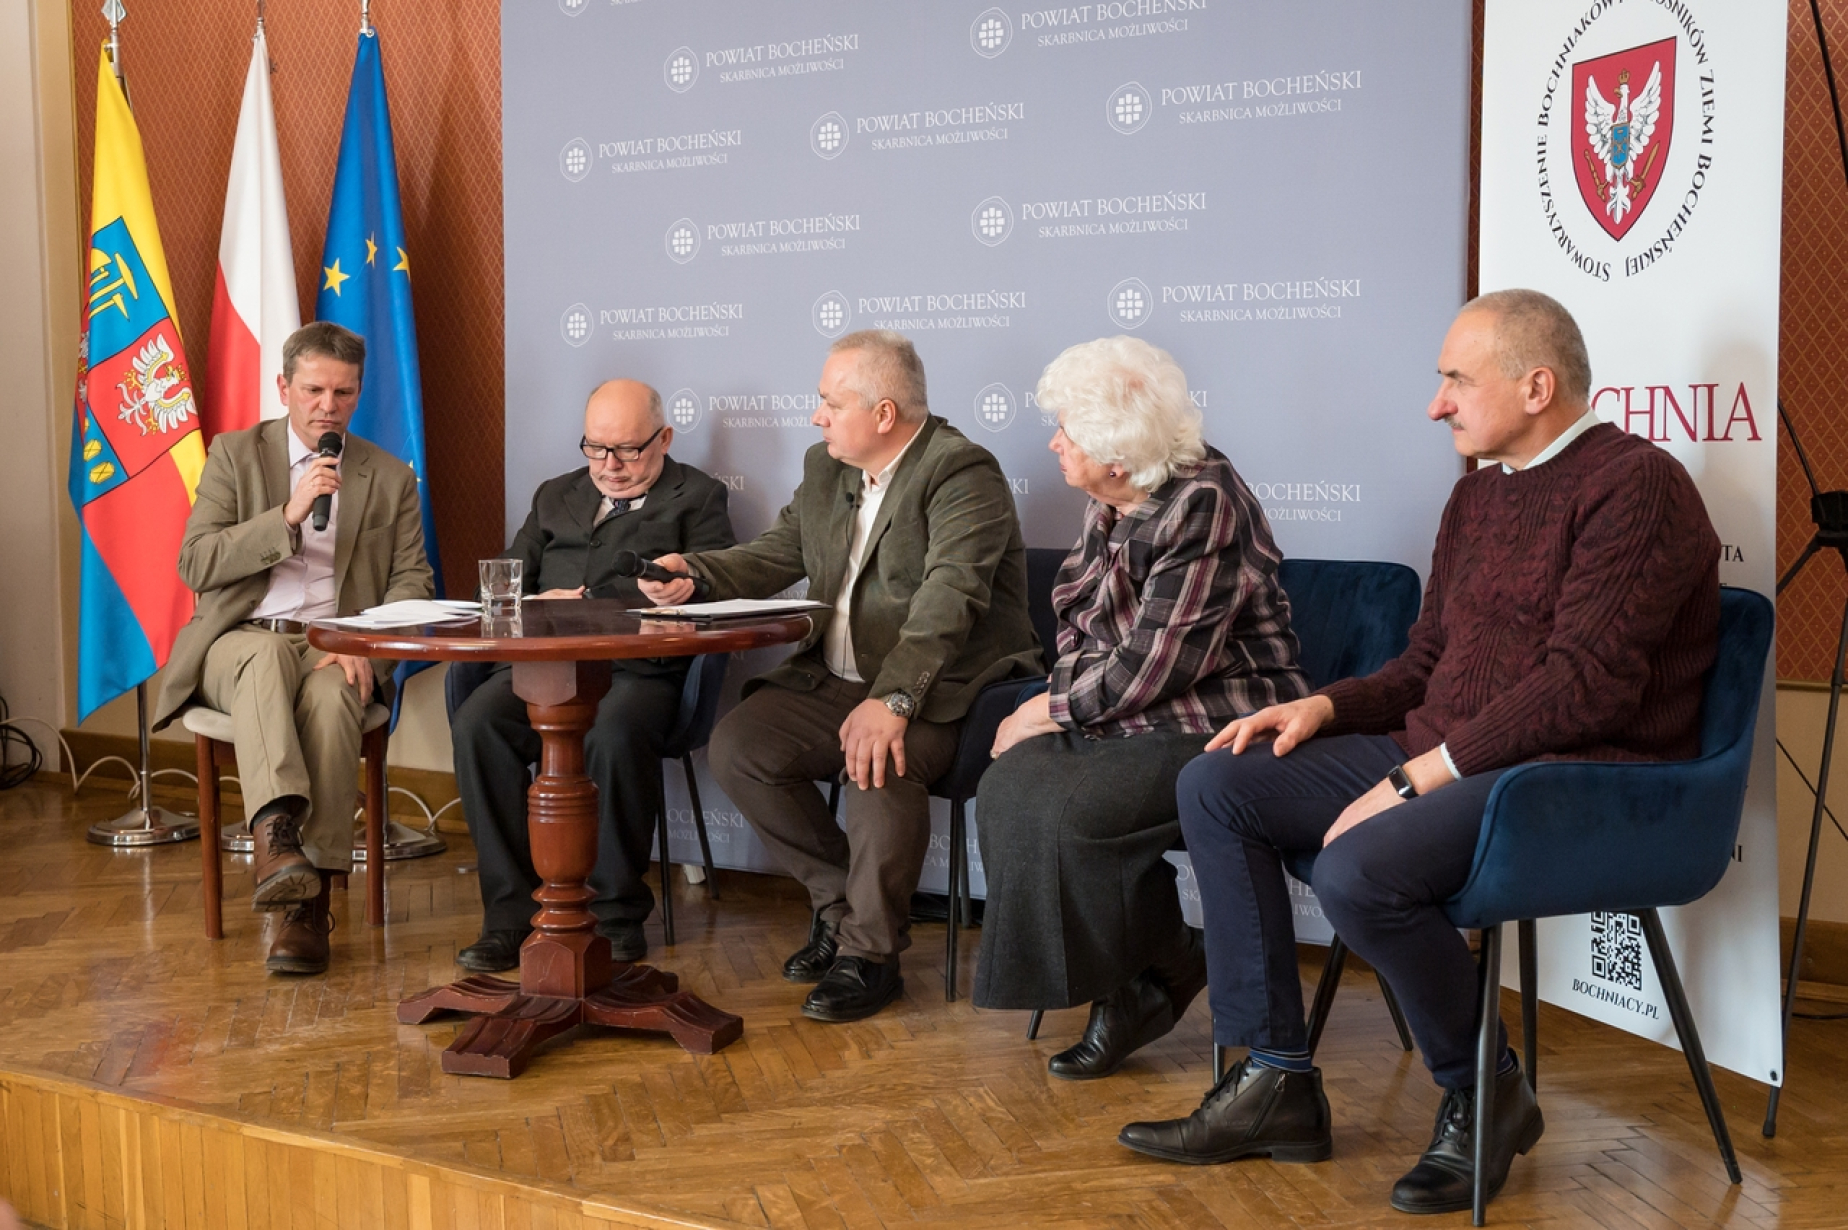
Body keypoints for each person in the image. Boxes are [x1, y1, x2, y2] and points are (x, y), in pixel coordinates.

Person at [1116, 290, 1721, 1215]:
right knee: (1217, 784)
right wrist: (1324, 705)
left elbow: (1583, 685)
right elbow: (1430, 660)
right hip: (1455, 756)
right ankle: (1276, 1078)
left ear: (1536, 386)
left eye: (1454, 380)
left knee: (1360, 868)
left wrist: (1416, 776)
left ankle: (1485, 1090)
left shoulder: (1635, 484)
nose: (1436, 403)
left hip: (1572, 777)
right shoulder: (1479, 489)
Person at [640, 330, 1043, 1023]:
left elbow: (949, 600)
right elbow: (779, 551)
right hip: (834, 679)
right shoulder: (827, 469)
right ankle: (839, 905)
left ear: (883, 414)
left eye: (830, 402)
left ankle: (870, 954)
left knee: (874, 760)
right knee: (741, 748)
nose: (817, 415)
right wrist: (696, 572)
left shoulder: (961, 473)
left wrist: (894, 698)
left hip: (948, 692)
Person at [973, 335, 1309, 1079]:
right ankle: (1158, 965)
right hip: (1133, 711)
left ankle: (1148, 980)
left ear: (1118, 456)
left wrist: (1043, 711)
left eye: (1068, 432)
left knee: (1074, 813)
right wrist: (1058, 706)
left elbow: (1160, 663)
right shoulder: (1113, 497)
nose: (1054, 443)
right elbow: (1085, 626)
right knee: (1007, 789)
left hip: (1223, 718)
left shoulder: (1205, 500)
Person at [155, 322, 433, 976]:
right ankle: (277, 839)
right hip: (239, 642)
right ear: (285, 387)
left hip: (331, 646)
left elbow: (412, 580)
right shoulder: (234, 455)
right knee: (265, 659)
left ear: (357, 394)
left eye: (342, 392)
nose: (326, 406)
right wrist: (286, 514)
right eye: (312, 389)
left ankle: (304, 907)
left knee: (338, 697)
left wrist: (363, 642)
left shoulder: (389, 477)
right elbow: (196, 564)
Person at [448, 380, 734, 971]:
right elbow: (501, 585)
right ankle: (509, 916)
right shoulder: (555, 495)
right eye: (596, 448)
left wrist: (691, 583)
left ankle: (613, 914)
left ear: (665, 438)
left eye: (628, 450)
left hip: (639, 672)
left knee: (612, 732)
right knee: (479, 723)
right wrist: (535, 603)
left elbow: (717, 580)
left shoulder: (697, 496)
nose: (611, 466)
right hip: (546, 670)